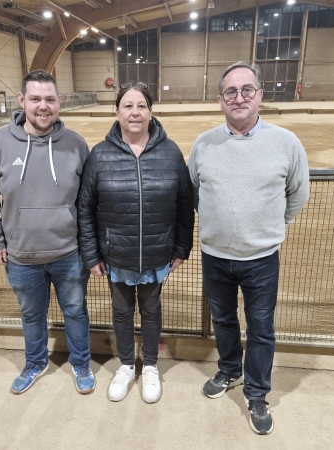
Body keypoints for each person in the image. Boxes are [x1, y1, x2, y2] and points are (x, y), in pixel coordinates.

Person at [189, 62, 309, 434]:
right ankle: (229, 370)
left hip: (261, 260)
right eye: (230, 92)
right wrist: (219, 224)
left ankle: (257, 394)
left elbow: (297, 194)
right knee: (222, 320)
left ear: (259, 95)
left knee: (260, 329)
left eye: (246, 90)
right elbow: (195, 191)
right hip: (215, 257)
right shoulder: (204, 143)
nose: (238, 98)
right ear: (220, 99)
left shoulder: (286, 142)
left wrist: (268, 227)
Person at [0, 70, 95, 395]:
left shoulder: (75, 144)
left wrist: (90, 246)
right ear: (22, 101)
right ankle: (35, 362)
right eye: (36, 99)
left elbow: (88, 200)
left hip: (69, 254)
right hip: (21, 255)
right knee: (31, 314)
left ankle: (81, 362)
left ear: (59, 102)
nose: (43, 106)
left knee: (75, 310)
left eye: (50, 99)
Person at [78, 82, 194, 403]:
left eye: (141, 106)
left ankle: (152, 365)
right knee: (121, 311)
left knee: (152, 309)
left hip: (158, 253)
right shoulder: (99, 155)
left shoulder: (170, 152)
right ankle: (128, 364)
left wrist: (181, 247)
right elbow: (85, 208)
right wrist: (91, 254)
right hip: (116, 255)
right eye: (128, 106)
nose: (135, 112)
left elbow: (185, 204)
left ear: (151, 111)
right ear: (116, 112)